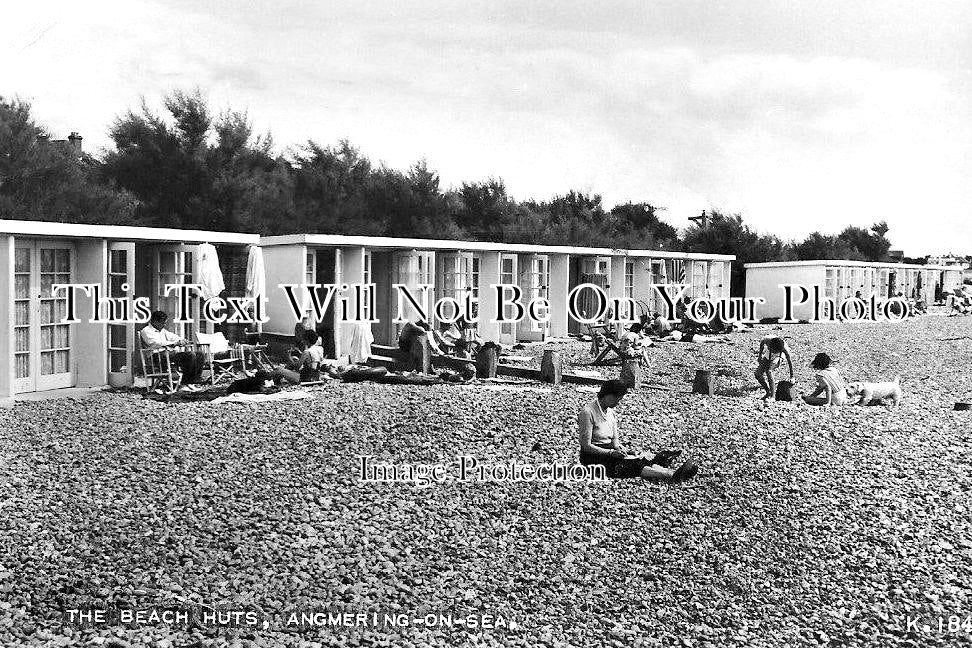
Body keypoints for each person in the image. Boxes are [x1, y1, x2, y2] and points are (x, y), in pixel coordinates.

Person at [578, 380, 698, 483]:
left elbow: (614, 439)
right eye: (617, 399)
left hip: (609, 450)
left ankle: (673, 472)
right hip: (593, 457)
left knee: (642, 459)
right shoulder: (588, 412)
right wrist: (610, 453)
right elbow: (586, 446)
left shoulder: (610, 412)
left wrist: (621, 449)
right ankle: (670, 475)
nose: (618, 403)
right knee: (632, 465)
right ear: (608, 395)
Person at [140, 311, 206, 391]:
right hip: (156, 356)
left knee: (200, 355)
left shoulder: (162, 330)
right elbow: (155, 343)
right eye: (163, 323)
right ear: (155, 321)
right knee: (190, 356)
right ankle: (184, 384)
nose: (164, 325)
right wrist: (174, 343)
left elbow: (173, 337)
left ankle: (192, 382)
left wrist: (181, 340)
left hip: (168, 354)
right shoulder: (146, 330)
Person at [754, 335, 793, 400]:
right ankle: (768, 391)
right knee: (757, 373)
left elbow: (789, 362)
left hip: (779, 355)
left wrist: (792, 376)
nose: (770, 349)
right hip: (769, 353)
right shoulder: (767, 340)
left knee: (769, 371)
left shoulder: (784, 349)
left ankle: (773, 396)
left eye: (772, 350)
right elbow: (762, 343)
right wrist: (760, 355)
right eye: (769, 348)